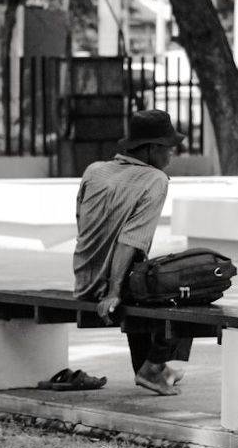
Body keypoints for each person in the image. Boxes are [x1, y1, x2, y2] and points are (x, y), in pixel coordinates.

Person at [73, 107, 191, 397]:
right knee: (190, 285)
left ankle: (152, 369)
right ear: (150, 149)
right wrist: (113, 291)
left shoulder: (94, 170)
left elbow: (81, 221)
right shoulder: (155, 180)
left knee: (142, 275)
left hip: (84, 279)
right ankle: (153, 365)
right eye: (167, 148)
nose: (171, 154)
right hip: (107, 286)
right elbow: (130, 241)